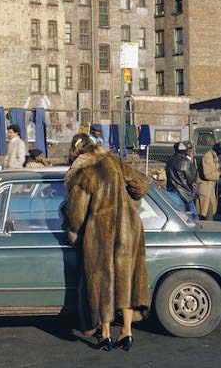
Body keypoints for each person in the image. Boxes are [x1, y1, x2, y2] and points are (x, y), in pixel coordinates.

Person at [64, 134, 149, 352]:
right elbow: (140, 184)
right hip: (129, 227)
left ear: (75, 152)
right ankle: (127, 331)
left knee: (102, 281)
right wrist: (129, 203)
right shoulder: (113, 160)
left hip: (101, 231)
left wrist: (73, 231)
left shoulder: (82, 172)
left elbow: (76, 214)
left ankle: (105, 334)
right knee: (126, 280)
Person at [165, 142, 199, 220]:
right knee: (194, 215)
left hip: (171, 189)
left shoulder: (169, 160)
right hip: (184, 191)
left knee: (175, 213)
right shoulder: (186, 162)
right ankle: (196, 228)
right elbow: (191, 178)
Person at [196, 142, 221, 220]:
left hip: (210, 190)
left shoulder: (214, 156)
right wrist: (220, 173)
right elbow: (207, 175)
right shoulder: (208, 156)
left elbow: (214, 169)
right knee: (208, 214)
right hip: (205, 189)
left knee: (210, 212)